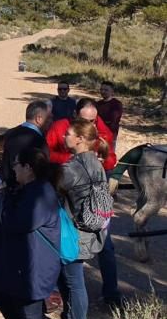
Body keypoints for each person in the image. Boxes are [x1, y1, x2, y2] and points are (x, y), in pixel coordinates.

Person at [0, 148, 61, 319]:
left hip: (34, 267)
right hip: (20, 264)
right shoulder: (29, 189)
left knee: (29, 313)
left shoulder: (41, 193)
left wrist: (2, 195)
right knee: (3, 297)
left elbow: (17, 222)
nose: (13, 168)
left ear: (29, 168)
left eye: (17, 164)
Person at [45, 97, 121, 307]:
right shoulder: (61, 127)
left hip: (91, 197)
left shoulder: (97, 131)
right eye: (85, 119)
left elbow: (112, 158)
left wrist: (96, 161)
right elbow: (47, 152)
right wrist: (68, 164)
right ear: (75, 116)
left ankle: (111, 293)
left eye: (93, 120)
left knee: (105, 245)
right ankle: (55, 297)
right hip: (67, 190)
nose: (90, 123)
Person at [52, 118, 111, 319]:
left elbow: (50, 189)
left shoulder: (73, 168)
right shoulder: (96, 164)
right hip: (89, 232)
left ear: (80, 139)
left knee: (75, 283)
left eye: (68, 134)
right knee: (69, 280)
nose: (64, 137)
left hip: (74, 236)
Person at [0, 101, 52, 189]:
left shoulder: (10, 133)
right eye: (49, 118)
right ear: (39, 119)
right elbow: (43, 171)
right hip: (29, 193)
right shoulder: (38, 141)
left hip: (7, 189)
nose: (51, 122)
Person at [96, 81, 123, 149]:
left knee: (109, 154)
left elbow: (113, 121)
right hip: (98, 134)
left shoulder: (117, 104)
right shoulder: (98, 104)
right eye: (101, 89)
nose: (103, 91)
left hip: (111, 134)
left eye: (106, 90)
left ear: (112, 91)